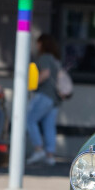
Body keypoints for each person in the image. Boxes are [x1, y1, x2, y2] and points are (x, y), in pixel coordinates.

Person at [27, 34, 65, 166]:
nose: (37, 46)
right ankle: (50, 155)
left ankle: (38, 149)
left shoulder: (43, 58)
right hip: (55, 98)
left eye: (38, 43)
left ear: (43, 44)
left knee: (30, 119)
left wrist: (31, 84)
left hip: (44, 94)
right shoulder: (55, 60)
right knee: (49, 126)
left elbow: (45, 73)